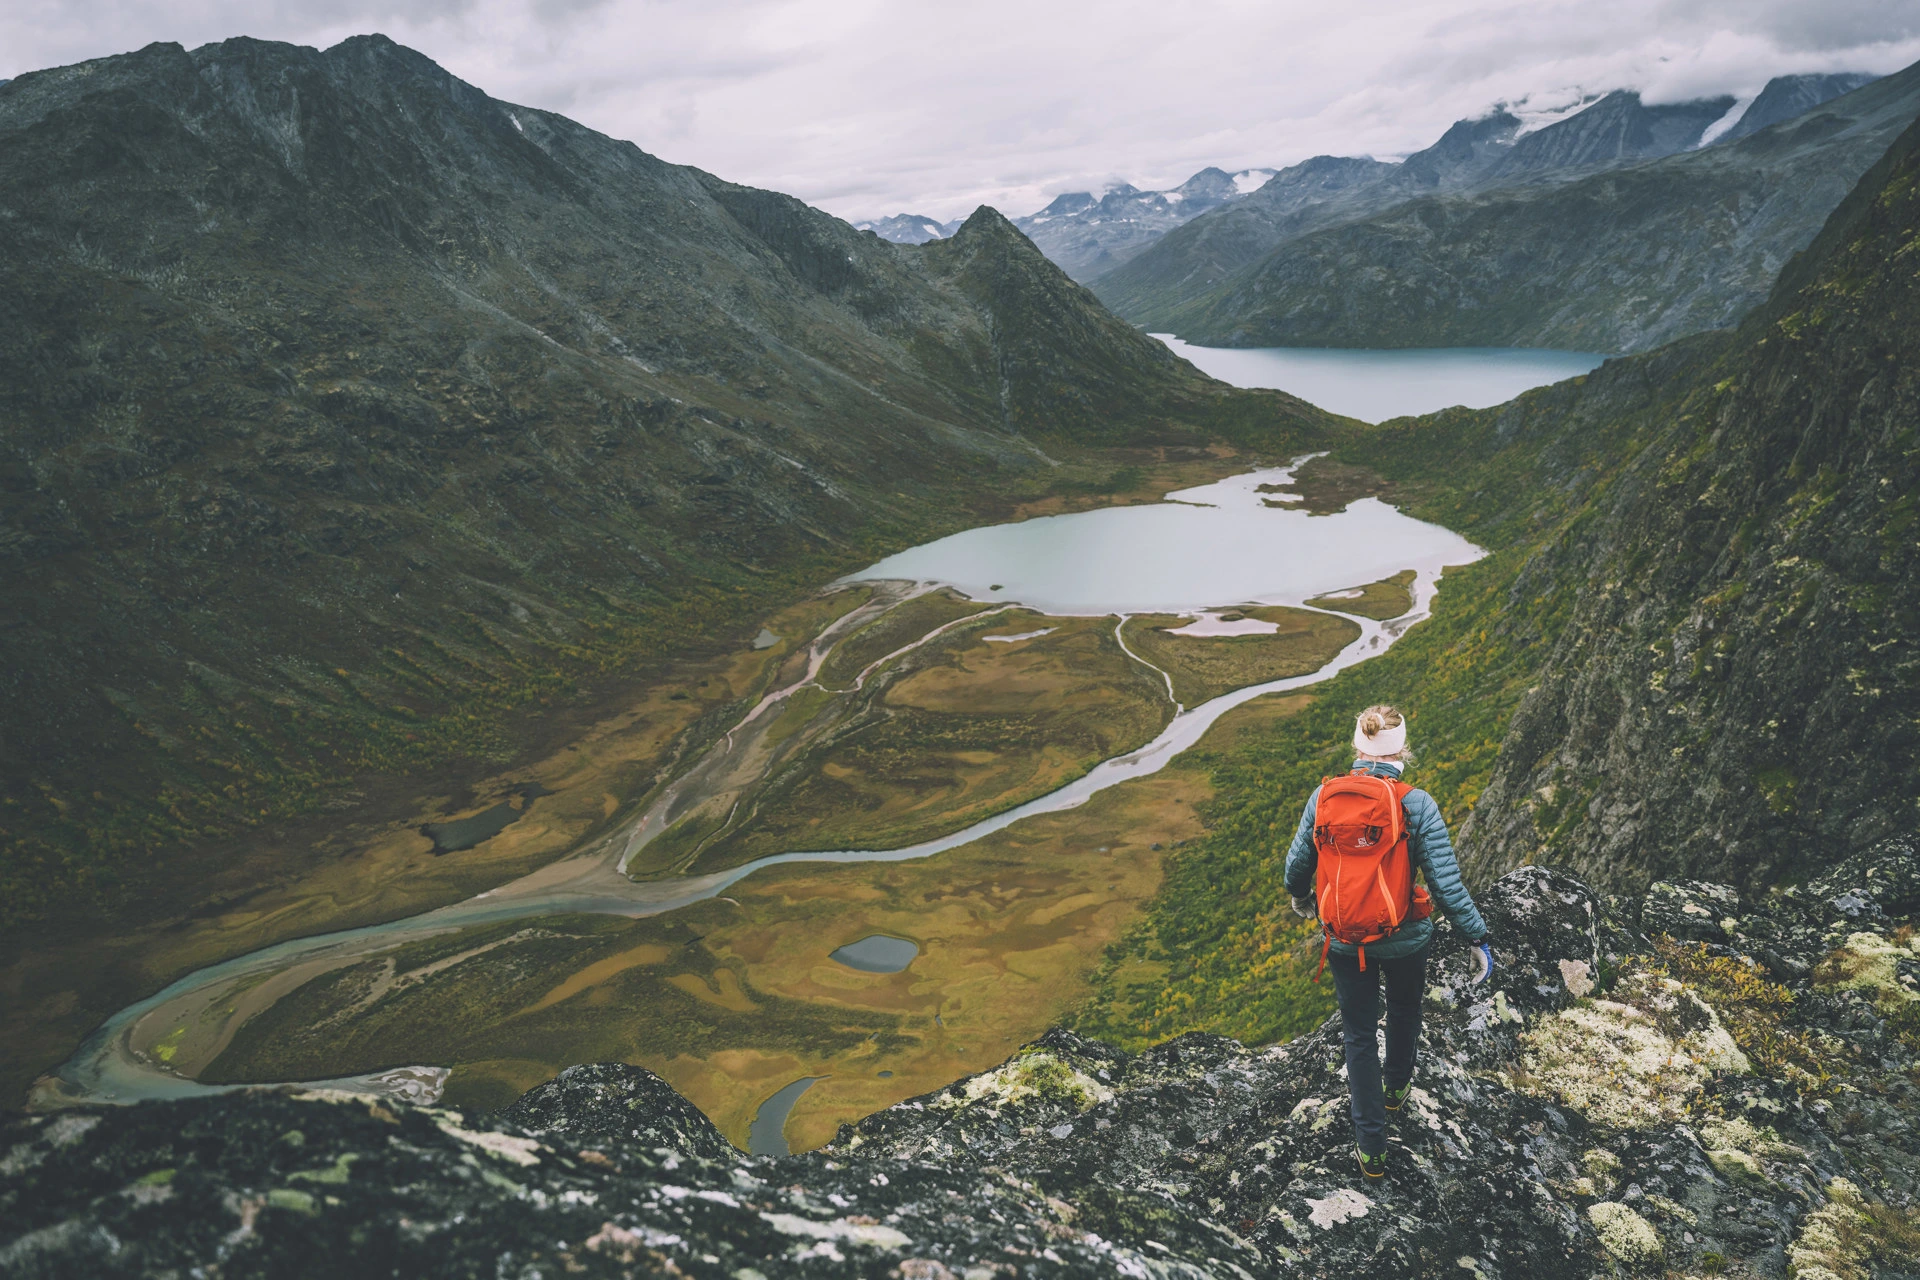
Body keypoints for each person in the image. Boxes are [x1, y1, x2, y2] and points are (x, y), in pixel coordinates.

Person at [1283, 704, 1493, 1179]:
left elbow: (1296, 869)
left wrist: (1304, 903)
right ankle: (1396, 1088)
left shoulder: (1323, 797)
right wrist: (1476, 935)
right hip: (1405, 937)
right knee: (1403, 1010)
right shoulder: (1416, 803)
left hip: (1343, 940)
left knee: (1358, 1037)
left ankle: (1371, 1148)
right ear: (1403, 751)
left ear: (1357, 747)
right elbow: (1445, 883)